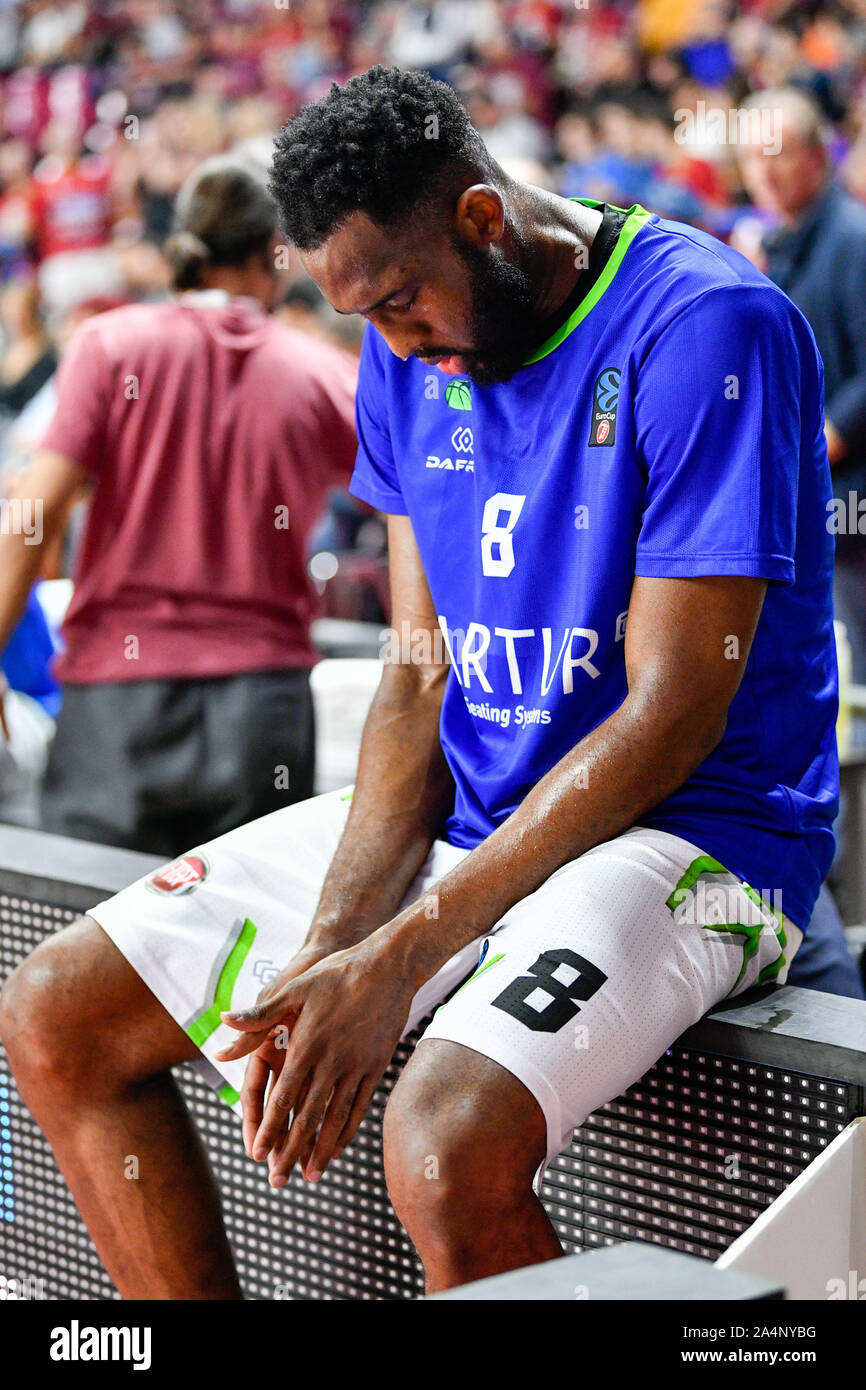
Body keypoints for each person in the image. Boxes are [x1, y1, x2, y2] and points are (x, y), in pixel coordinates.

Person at [0, 66, 839, 1298]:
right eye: (360, 320)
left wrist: (400, 956)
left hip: (700, 832)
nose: (392, 346)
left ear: (482, 221)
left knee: (441, 1150)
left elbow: (672, 710)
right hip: (485, 815)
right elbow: (410, 681)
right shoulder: (402, 341)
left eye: (400, 303)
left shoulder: (708, 324)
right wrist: (334, 947)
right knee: (55, 1012)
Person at [0, 155, 358, 856]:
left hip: (116, 709)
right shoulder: (318, 370)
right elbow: (421, 498)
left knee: (90, 940)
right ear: (271, 256)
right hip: (263, 710)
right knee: (240, 947)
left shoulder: (109, 346)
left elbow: (30, 516)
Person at [736, 88, 866, 722]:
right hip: (808, 499)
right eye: (751, 159)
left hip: (851, 499)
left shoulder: (854, 238)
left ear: (818, 155)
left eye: (778, 155)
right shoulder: (773, 246)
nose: (764, 171)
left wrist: (828, 435)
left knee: (857, 677)